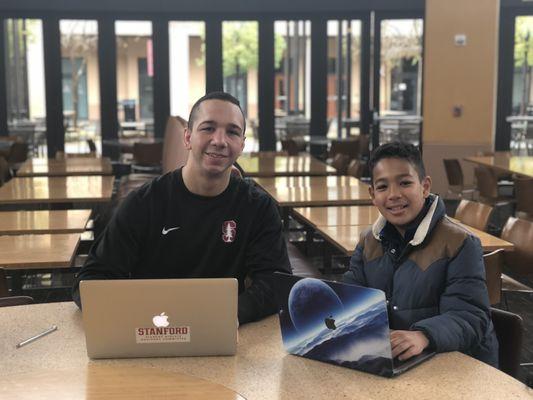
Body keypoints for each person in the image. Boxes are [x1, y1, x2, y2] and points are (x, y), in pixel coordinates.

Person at [72, 91, 291, 325]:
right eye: (208, 128)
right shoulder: (144, 203)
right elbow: (91, 281)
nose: (219, 140)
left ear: (241, 145)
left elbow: (275, 281)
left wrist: (231, 313)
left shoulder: (257, 207)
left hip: (221, 332)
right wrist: (135, 315)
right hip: (151, 331)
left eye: (232, 132)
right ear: (187, 137)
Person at [343, 142, 498, 367]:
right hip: (399, 362)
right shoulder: (368, 242)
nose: (394, 195)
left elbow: (471, 317)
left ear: (425, 187)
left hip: (459, 367)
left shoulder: (461, 243)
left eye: (405, 183)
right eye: (383, 186)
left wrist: (424, 335)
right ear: (372, 195)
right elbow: (351, 300)